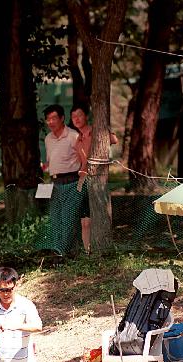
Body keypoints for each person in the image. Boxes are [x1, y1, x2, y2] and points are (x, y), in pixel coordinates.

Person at [70, 104, 118, 254]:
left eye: (79, 115)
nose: (76, 119)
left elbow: (114, 139)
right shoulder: (77, 140)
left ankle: (100, 249)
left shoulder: (95, 131)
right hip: (82, 181)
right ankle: (87, 252)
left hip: (97, 179)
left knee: (94, 218)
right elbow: (81, 162)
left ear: (86, 116)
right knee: (84, 221)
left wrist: (104, 129)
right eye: (73, 117)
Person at [42, 104, 84, 256]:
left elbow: (83, 159)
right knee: (55, 219)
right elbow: (50, 162)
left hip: (72, 182)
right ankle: (58, 250)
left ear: (62, 118)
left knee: (68, 218)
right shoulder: (48, 139)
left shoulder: (74, 136)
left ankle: (63, 252)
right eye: (48, 119)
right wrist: (45, 168)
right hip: (54, 183)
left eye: (54, 118)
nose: (51, 122)